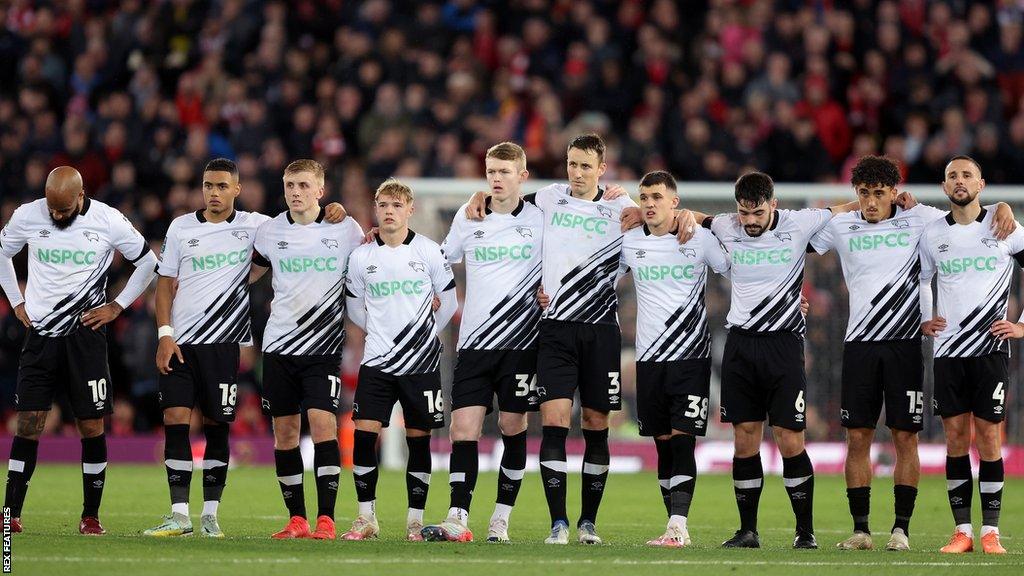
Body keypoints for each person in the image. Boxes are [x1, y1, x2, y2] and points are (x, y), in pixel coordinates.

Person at [809, 155, 1015, 551]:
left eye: (879, 194)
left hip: (905, 346)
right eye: (864, 194)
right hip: (859, 345)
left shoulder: (922, 219)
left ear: (893, 192)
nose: (871, 202)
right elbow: (798, 240)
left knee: (906, 437)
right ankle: (861, 530)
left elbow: (968, 213)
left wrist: (1001, 208)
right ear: (857, 194)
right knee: (857, 438)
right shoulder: (842, 225)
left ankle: (901, 530)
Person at [143, 158, 345, 537]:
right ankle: (180, 513)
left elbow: (295, 237)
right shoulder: (181, 228)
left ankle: (211, 516)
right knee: (175, 420)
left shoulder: (258, 226)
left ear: (237, 189)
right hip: (181, 341)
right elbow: (165, 284)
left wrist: (337, 209)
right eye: (207, 185)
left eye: (222, 186)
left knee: (218, 425)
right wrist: (164, 334)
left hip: (225, 343)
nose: (214, 193)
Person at [466, 134, 641, 545]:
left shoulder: (622, 206)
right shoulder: (547, 199)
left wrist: (640, 202)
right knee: (554, 422)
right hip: (555, 329)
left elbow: (658, 222)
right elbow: (504, 199)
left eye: (585, 166)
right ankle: (558, 523)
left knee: (597, 423)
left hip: (601, 330)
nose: (576, 173)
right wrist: (478, 193)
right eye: (571, 164)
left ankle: (588, 523)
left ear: (602, 168)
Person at [692, 172, 858, 549]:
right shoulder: (726, 226)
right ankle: (748, 531)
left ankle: (805, 531)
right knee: (744, 440)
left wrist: (896, 203)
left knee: (789, 439)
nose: (749, 221)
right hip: (741, 346)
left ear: (774, 205)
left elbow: (842, 209)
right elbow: (689, 215)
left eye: (757, 213)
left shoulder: (800, 223)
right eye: (743, 213)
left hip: (783, 346)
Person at [0, 166, 158, 535]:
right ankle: (10, 514)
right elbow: (1, 253)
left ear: (80, 195)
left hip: (86, 337)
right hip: (40, 335)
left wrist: (117, 306)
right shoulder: (27, 215)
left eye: (62, 210)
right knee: (29, 423)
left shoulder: (108, 219)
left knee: (91, 425)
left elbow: (148, 262)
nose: (55, 215)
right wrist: (16, 301)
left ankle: (91, 516)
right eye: (51, 209)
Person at [419, 142, 544, 543]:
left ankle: (501, 517)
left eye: (505, 171)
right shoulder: (468, 214)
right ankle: (458, 515)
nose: (496, 178)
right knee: (462, 428)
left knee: (512, 424)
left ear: (522, 176)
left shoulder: (543, 218)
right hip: (473, 342)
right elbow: (441, 259)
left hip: (522, 342)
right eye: (491, 171)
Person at [253, 159, 364, 540]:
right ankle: (297, 518)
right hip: (279, 346)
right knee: (284, 433)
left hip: (324, 348)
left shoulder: (345, 228)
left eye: (303, 185)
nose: (295, 192)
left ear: (320, 189)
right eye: (289, 185)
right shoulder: (269, 232)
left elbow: (372, 263)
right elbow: (248, 273)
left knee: (323, 426)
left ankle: (327, 519)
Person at [342, 178, 458, 541]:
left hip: (420, 363)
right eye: (384, 205)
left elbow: (449, 302)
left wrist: (423, 335)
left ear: (410, 210)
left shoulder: (428, 251)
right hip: (376, 361)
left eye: (396, 205)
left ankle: (414, 520)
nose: (389, 211)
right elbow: (354, 308)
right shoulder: (362, 256)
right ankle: (366, 518)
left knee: (418, 438)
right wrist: (382, 333)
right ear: (376, 210)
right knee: (364, 435)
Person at [618, 171, 730, 547]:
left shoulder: (699, 238)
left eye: (657, 197)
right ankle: (673, 523)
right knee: (662, 443)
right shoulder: (629, 243)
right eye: (644, 197)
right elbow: (599, 277)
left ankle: (679, 526)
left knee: (683, 441)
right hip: (649, 359)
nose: (650, 204)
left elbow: (736, 269)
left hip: (691, 356)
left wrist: (787, 297)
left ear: (674, 203)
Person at [919, 155, 1023, 555]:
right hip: (948, 352)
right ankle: (962, 531)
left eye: (966, 175)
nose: (959, 181)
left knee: (990, 439)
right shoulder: (932, 235)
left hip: (991, 350)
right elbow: (924, 279)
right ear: (945, 187)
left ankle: (990, 532)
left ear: (981, 183)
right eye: (951, 176)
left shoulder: (1004, 226)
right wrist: (927, 319)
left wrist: (1021, 326)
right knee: (956, 439)